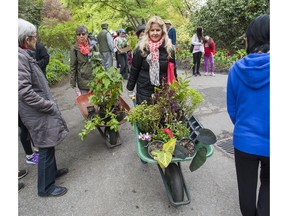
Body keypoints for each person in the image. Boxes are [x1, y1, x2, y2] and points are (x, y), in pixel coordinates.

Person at [18, 18, 69, 197]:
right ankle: (45, 188)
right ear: (27, 40)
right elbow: (23, 91)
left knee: (49, 141)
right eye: (34, 37)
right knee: (45, 145)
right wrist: (46, 104)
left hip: (39, 110)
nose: (36, 40)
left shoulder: (23, 55)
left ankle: (52, 173)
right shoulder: (19, 58)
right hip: (37, 111)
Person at [226, 14, 270, 216]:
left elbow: (232, 109)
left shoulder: (236, 69)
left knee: (246, 191)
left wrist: (244, 126)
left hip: (244, 141)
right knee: (270, 189)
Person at [126, 16, 176, 105]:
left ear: (163, 31)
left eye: (158, 30)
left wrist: (176, 87)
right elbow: (134, 70)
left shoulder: (169, 48)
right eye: (152, 30)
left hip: (162, 91)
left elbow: (173, 71)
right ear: (148, 32)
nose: (155, 33)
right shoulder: (141, 48)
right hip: (144, 91)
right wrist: (130, 88)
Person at [70, 25, 99, 94]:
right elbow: (73, 66)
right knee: (87, 103)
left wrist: (100, 76)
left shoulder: (93, 46)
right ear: (76, 36)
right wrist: (73, 83)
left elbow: (99, 61)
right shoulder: (74, 49)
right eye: (78, 34)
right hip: (83, 81)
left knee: (98, 101)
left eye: (83, 34)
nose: (81, 36)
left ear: (87, 34)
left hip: (94, 79)